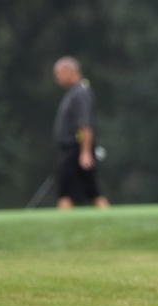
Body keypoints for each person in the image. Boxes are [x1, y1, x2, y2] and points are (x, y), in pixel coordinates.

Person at [52, 56, 109, 209]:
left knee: (66, 194)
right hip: (77, 150)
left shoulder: (79, 93)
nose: (57, 79)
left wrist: (85, 152)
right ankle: (110, 218)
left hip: (76, 150)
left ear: (69, 72)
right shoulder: (76, 92)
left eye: (59, 74)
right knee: (92, 193)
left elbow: (85, 124)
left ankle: (62, 222)